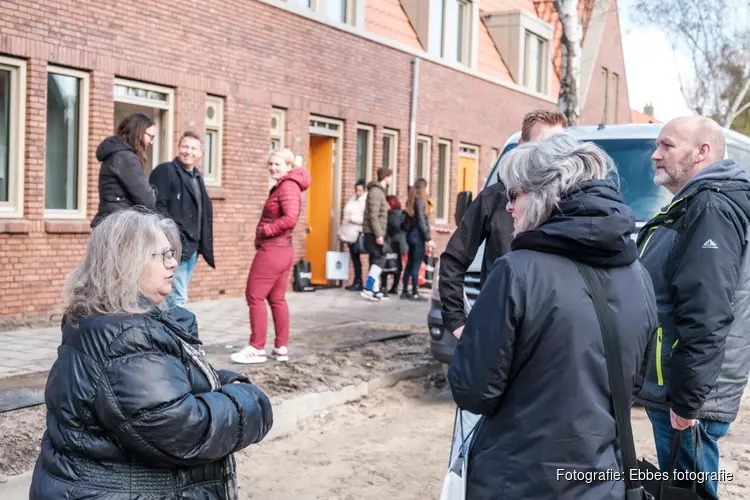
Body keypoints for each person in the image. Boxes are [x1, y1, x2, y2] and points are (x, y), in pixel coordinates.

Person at [448, 134, 657, 499]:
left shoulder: (516, 271)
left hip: (520, 479)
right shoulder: (638, 274)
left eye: (514, 195)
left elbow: (473, 390)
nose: (508, 207)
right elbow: (631, 382)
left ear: (545, 192)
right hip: (601, 479)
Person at [29, 208, 273, 500]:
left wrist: (220, 382)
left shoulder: (108, 319)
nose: (173, 263)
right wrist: (249, 400)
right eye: (162, 255)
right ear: (127, 262)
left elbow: (167, 382)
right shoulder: (126, 335)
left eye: (173, 253)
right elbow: (183, 431)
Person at [635, 116, 750, 498]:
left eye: (667, 146)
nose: (655, 155)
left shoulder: (711, 207)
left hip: (689, 397)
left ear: (702, 152)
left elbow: (708, 311)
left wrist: (687, 402)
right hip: (680, 389)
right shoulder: (695, 204)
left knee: (688, 494)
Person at [438, 109, 567, 339]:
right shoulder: (494, 199)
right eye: (541, 145)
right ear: (521, 145)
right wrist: (457, 322)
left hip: (552, 340)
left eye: (558, 146)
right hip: (498, 334)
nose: (550, 155)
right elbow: (453, 259)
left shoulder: (573, 202)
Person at [231, 149, 310, 364]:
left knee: (254, 296)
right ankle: (281, 347)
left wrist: (266, 230)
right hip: (282, 249)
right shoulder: (287, 185)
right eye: (271, 164)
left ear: (289, 166)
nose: (273, 168)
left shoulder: (287, 186)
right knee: (276, 299)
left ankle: (256, 348)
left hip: (273, 249)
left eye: (278, 164)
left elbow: (290, 218)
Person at [149, 130, 214, 307]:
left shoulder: (197, 176)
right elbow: (156, 208)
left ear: (201, 153)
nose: (188, 151)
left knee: (172, 295)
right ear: (178, 148)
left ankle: (164, 331)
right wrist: (172, 238)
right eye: (185, 146)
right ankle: (176, 333)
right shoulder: (165, 171)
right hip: (175, 246)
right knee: (176, 297)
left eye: (193, 148)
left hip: (193, 248)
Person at [91, 113, 157, 228]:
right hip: (119, 227)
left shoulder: (117, 154)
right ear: (139, 132)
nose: (151, 142)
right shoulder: (126, 158)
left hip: (110, 223)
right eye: (151, 136)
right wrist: (154, 190)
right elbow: (147, 200)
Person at [360, 167, 393, 301]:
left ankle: (375, 290)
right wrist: (379, 234)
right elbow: (373, 215)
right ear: (386, 177)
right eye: (390, 177)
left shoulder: (378, 192)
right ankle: (368, 288)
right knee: (380, 259)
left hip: (374, 231)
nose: (391, 179)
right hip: (373, 233)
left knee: (375, 261)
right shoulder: (376, 192)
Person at [402, 178, 434, 300]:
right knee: (416, 264)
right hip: (418, 236)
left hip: (410, 235)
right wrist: (428, 238)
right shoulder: (420, 202)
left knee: (409, 264)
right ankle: (415, 291)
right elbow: (421, 221)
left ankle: (405, 290)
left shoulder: (411, 201)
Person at [338, 179, 368, 291]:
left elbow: (365, 219)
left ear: (364, 191)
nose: (357, 192)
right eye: (356, 190)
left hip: (357, 233)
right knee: (354, 258)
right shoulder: (352, 199)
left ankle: (359, 281)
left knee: (357, 258)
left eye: (360, 190)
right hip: (348, 233)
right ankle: (357, 280)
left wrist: (352, 219)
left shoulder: (365, 201)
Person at [381, 194, 407, 295]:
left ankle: (384, 286)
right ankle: (395, 287)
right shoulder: (402, 213)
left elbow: (390, 228)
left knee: (385, 264)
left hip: (391, 243)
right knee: (398, 266)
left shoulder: (390, 215)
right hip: (402, 243)